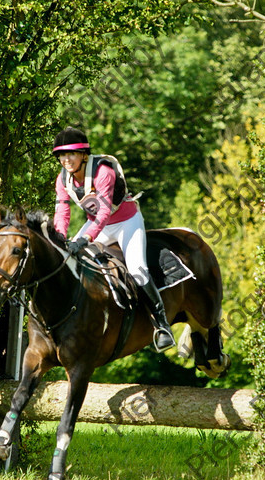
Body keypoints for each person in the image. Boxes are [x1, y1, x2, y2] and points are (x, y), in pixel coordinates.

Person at [53, 126, 175, 352]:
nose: (66, 159)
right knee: (67, 260)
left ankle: (162, 325)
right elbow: (62, 212)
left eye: (71, 154)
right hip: (97, 224)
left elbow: (103, 212)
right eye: (61, 155)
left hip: (126, 222)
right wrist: (59, 238)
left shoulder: (103, 172)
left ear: (83, 155)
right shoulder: (62, 179)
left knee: (138, 270)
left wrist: (86, 238)